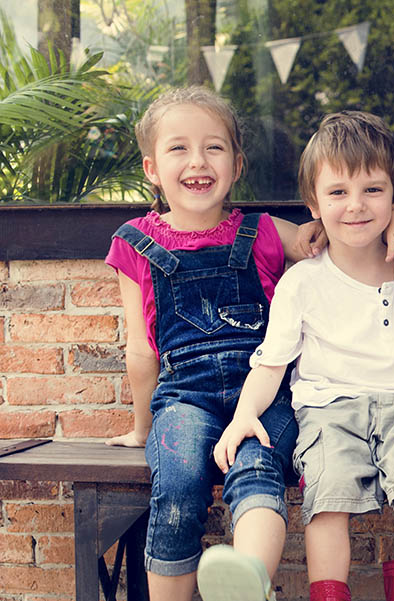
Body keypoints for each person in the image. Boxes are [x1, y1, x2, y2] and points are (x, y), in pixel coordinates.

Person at [212, 111, 394, 601]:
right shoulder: (303, 281)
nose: (356, 206)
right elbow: (272, 362)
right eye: (338, 193)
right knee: (327, 503)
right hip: (328, 409)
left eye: (373, 190)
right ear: (314, 204)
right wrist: (243, 415)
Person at [104, 86, 321, 601]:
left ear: (237, 163)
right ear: (152, 168)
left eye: (214, 147)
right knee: (177, 484)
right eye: (178, 148)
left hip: (264, 397)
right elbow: (141, 349)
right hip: (184, 400)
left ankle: (246, 584)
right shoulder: (133, 242)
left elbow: (334, 233)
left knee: (256, 463)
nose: (197, 161)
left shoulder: (265, 232)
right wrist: (142, 429)